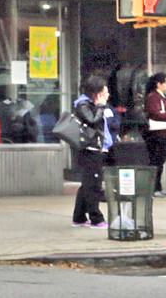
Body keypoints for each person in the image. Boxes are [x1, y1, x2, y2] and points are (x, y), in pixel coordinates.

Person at [69, 76, 117, 228]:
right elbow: (93, 121)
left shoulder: (92, 105)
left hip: (96, 148)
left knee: (87, 184)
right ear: (97, 93)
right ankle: (96, 218)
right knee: (93, 185)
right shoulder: (84, 105)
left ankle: (79, 217)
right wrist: (101, 107)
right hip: (89, 149)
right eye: (105, 92)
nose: (108, 95)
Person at [142, 72, 166, 198]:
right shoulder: (153, 97)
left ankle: (158, 187)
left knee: (160, 162)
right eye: (165, 82)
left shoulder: (163, 97)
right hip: (156, 134)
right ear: (159, 84)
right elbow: (155, 113)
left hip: (164, 134)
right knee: (156, 161)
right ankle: (153, 188)